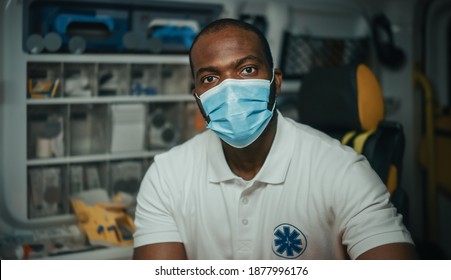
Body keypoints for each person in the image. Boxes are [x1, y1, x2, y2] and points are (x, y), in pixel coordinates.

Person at [133, 18, 417, 260]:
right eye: (209, 78)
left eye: (246, 70)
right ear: (197, 97)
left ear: (275, 81)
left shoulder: (342, 170)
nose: (230, 90)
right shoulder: (167, 175)